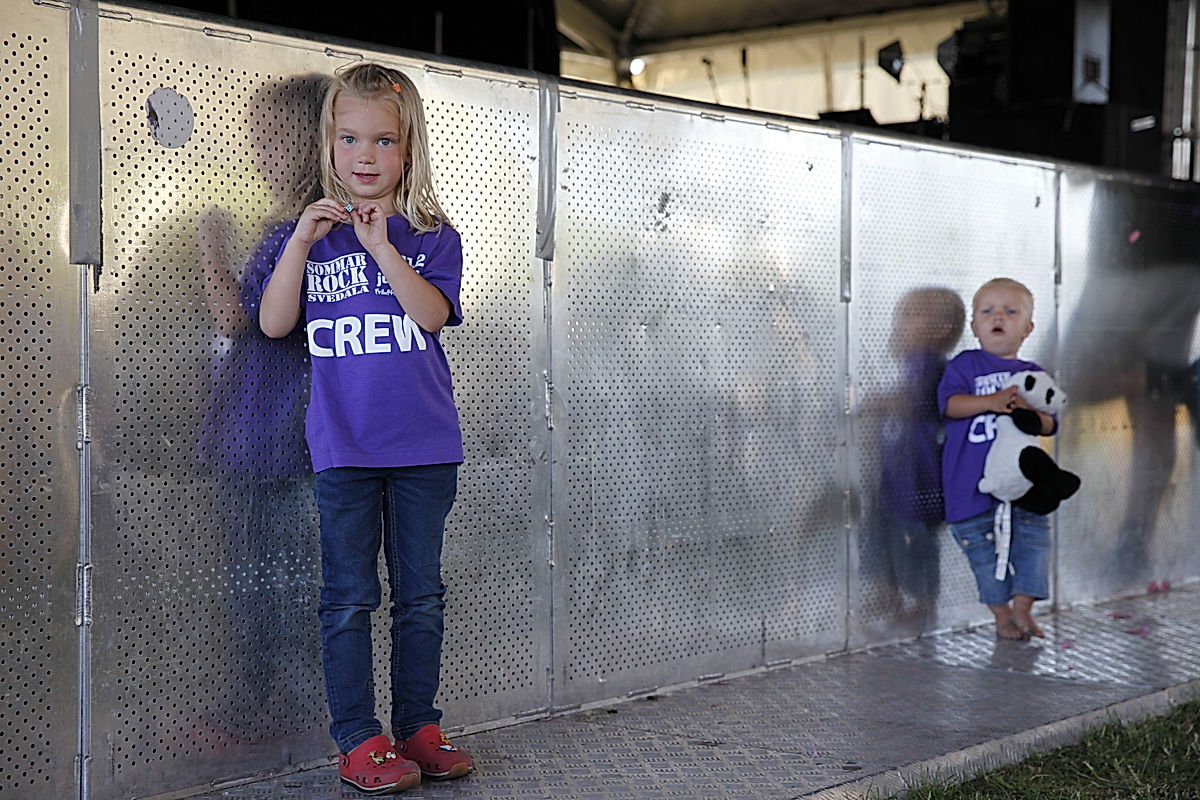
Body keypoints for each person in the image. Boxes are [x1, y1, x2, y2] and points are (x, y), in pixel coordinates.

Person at [259, 63, 473, 794]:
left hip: (424, 448)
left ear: (407, 150)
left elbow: (433, 314)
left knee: (421, 594)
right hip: (344, 451)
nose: (366, 156)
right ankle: (359, 739)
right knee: (349, 596)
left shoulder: (432, 237)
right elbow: (274, 321)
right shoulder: (312, 240)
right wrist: (299, 240)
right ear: (329, 145)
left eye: (383, 141)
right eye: (349, 139)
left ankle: (420, 726)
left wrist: (384, 248)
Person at [937, 278, 1057, 641]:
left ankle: (1023, 609)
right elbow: (949, 404)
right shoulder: (965, 366)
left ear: (1028, 327)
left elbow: (1051, 423)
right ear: (974, 326)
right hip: (970, 489)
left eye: (1010, 311)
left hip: (1023, 490)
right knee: (986, 559)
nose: (997, 317)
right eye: (987, 311)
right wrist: (990, 403)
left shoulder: (1033, 374)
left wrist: (1027, 409)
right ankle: (1001, 614)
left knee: (1034, 547)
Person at [868, 287, 965, 624]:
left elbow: (911, 400)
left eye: (909, 315)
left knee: (917, 541)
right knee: (884, 531)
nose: (898, 324)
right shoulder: (912, 363)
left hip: (922, 480)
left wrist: (872, 404)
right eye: (899, 315)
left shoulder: (932, 365)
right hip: (900, 477)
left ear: (941, 330)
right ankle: (887, 592)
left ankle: (924, 604)